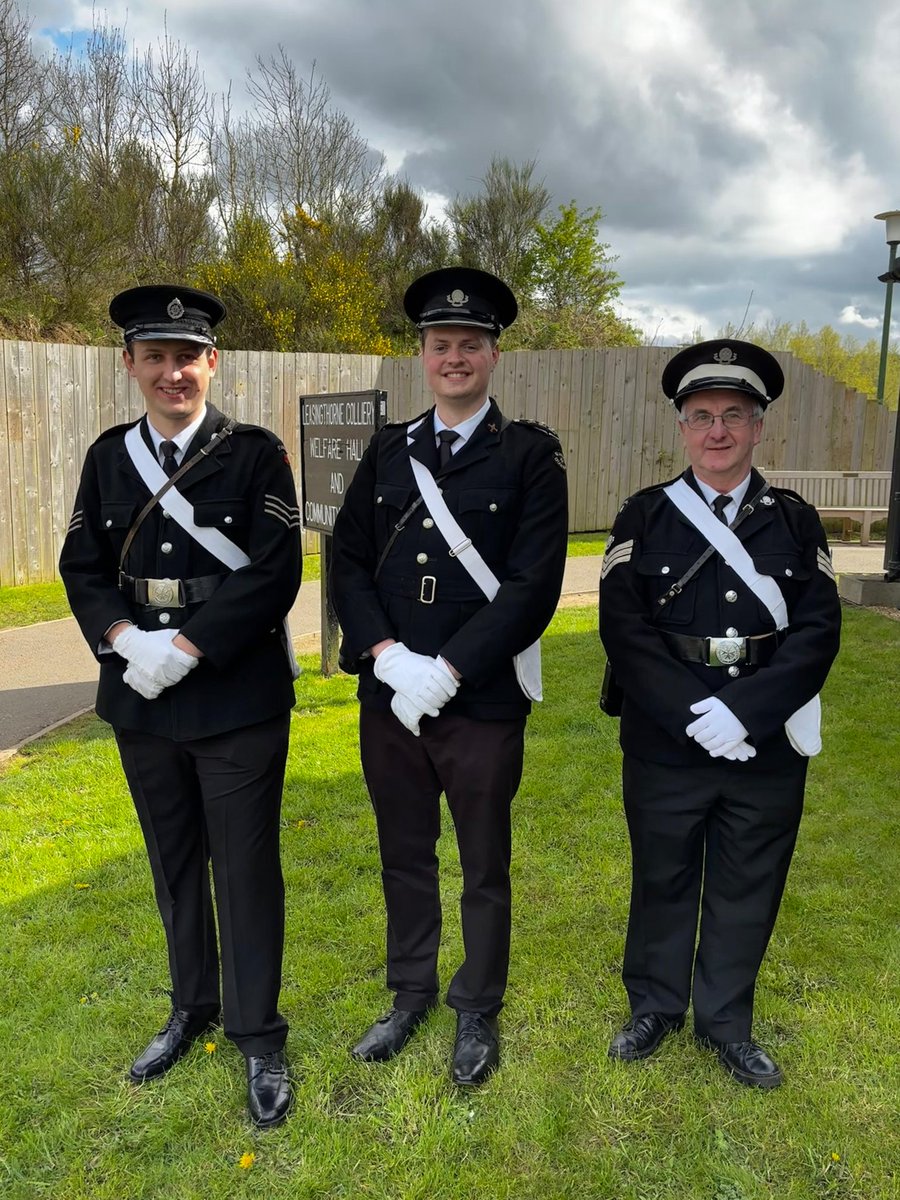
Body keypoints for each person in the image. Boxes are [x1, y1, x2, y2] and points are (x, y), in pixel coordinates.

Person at [59, 285, 301, 1128]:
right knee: (173, 864)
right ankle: (190, 1005)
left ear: (212, 362)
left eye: (185, 357)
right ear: (129, 365)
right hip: (141, 699)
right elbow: (82, 565)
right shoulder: (107, 456)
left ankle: (258, 1034)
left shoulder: (256, 453)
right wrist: (127, 640)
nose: (172, 373)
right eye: (154, 357)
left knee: (243, 869)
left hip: (235, 695)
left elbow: (274, 571)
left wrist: (187, 648)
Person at [329, 267, 569, 1086]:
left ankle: (477, 1007)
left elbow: (536, 585)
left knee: (481, 861)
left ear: (494, 355)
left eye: (471, 344)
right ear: (422, 356)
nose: (455, 357)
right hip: (391, 695)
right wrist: (388, 658)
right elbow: (348, 559)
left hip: (483, 699)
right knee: (403, 852)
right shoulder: (387, 450)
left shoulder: (532, 455)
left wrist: (453, 667)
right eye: (441, 345)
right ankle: (409, 992)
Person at [598, 338, 841, 1088]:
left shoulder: (795, 522)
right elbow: (624, 629)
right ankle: (656, 1006)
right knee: (662, 872)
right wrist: (692, 713)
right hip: (668, 736)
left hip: (762, 742)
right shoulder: (644, 514)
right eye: (701, 415)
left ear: (759, 427)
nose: (718, 431)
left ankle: (727, 1020)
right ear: (681, 426)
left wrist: (747, 715)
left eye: (735, 415)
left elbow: (818, 630)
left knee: (748, 879)